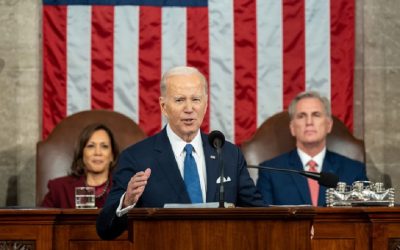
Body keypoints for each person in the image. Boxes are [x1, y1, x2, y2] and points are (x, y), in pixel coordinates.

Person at [96, 66, 264, 240]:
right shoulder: (136, 158)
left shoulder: (228, 154)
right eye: (179, 100)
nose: (189, 108)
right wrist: (127, 202)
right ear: (163, 106)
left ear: (205, 105)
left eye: (196, 99)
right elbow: (105, 229)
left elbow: (260, 215)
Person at [256, 91, 368, 206]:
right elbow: (264, 221)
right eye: (301, 116)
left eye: (316, 115)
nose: (309, 122)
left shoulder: (354, 171)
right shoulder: (270, 171)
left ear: (328, 125)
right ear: (292, 128)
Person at [41, 123, 119, 208]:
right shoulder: (59, 189)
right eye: (91, 146)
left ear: (112, 155)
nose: (98, 153)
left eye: (104, 146)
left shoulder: (123, 189)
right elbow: (41, 220)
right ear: (82, 153)